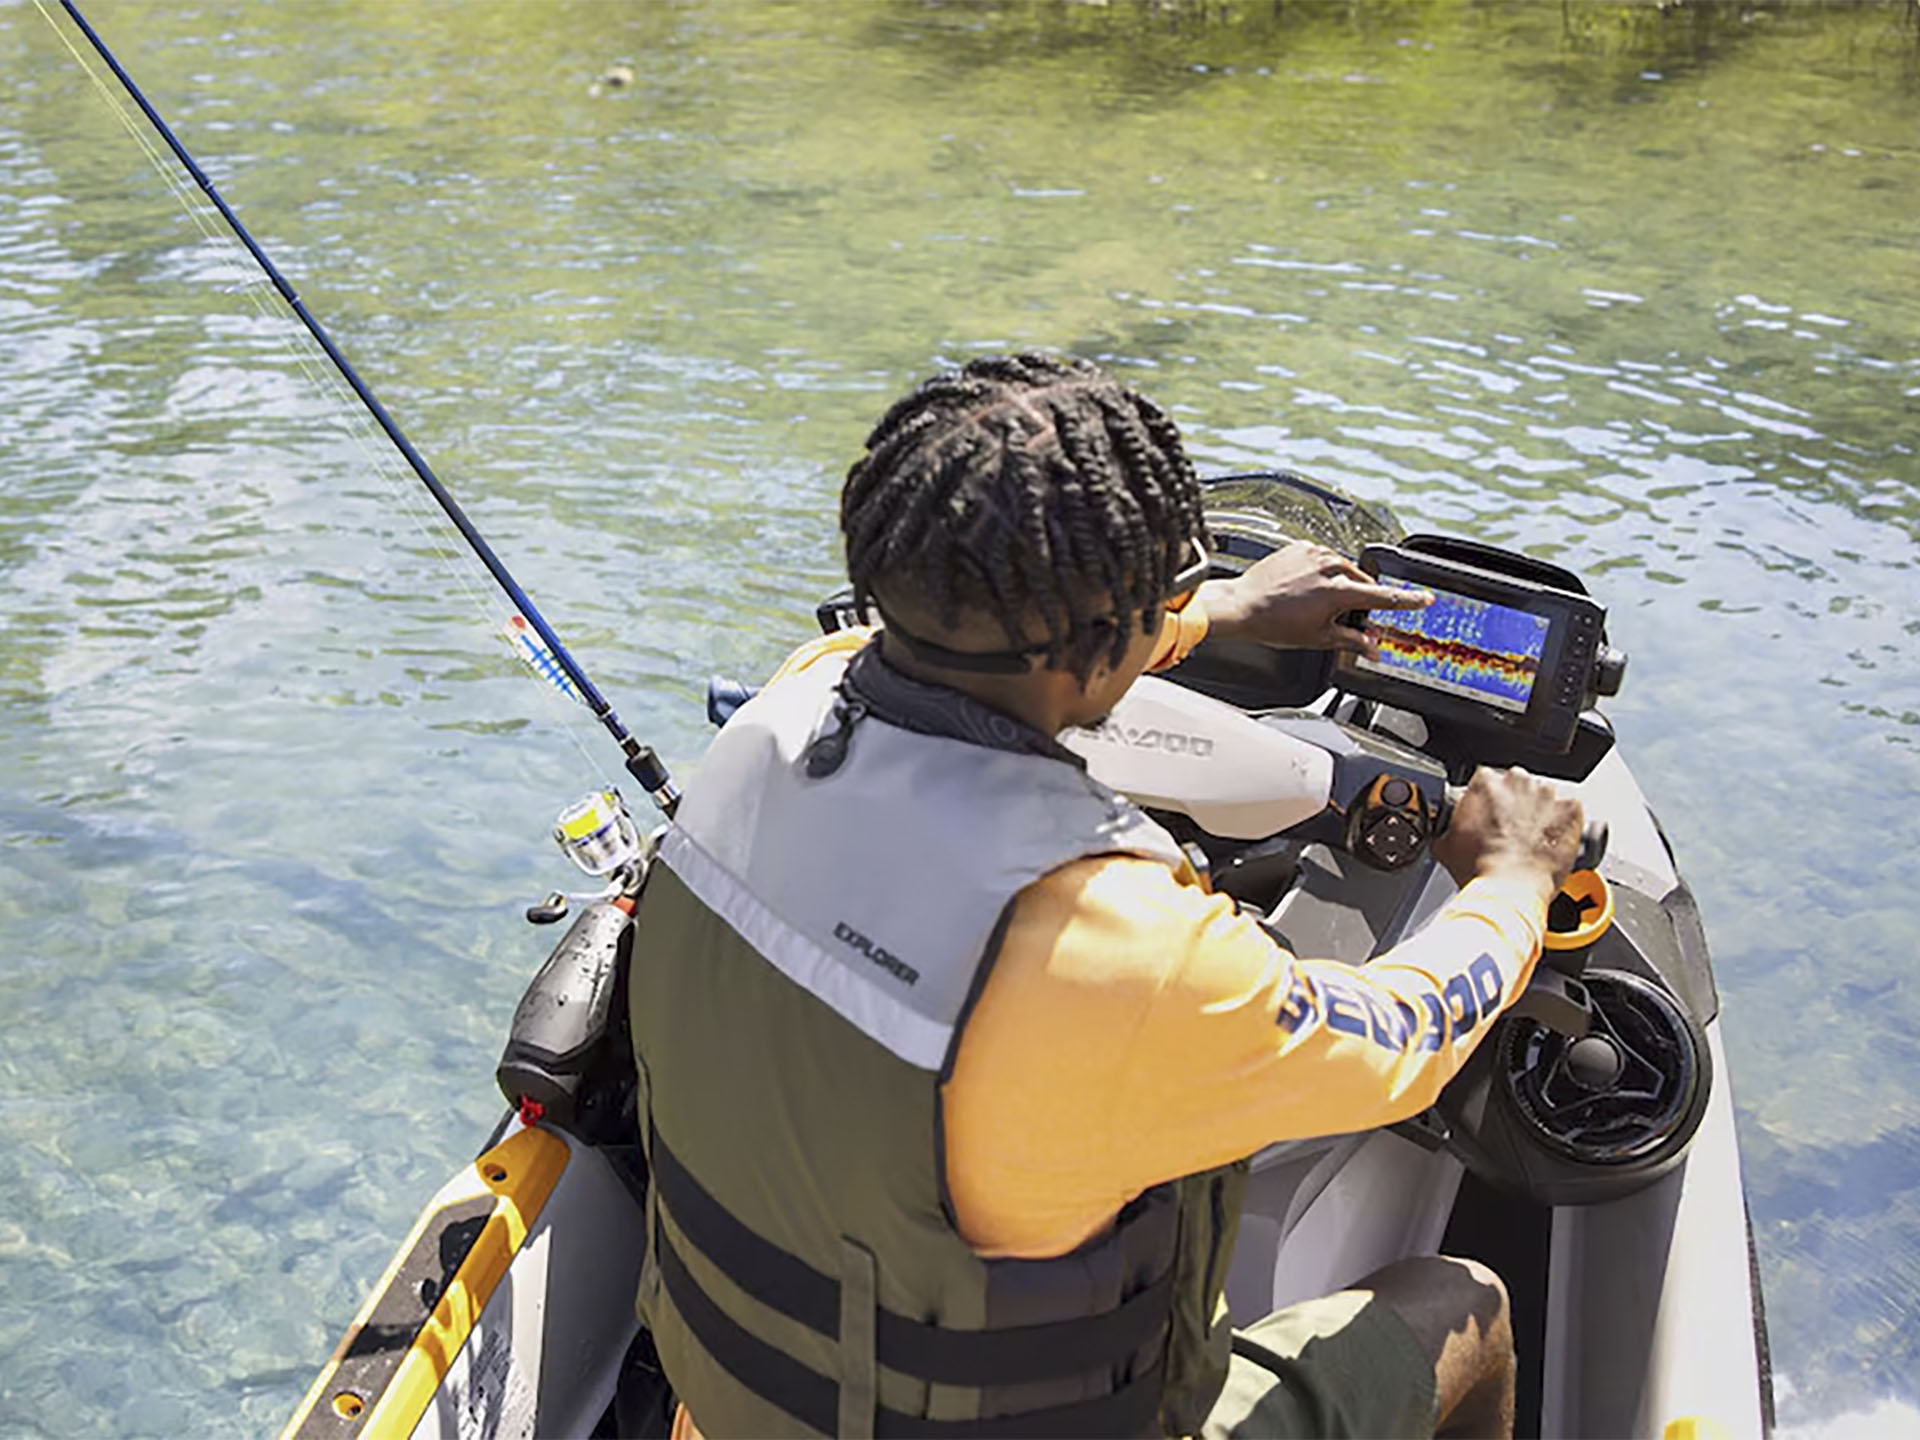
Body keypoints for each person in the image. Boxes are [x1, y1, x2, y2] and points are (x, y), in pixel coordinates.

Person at [626, 353, 1584, 1439]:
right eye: (1170, 586)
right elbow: (1403, 1041)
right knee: (1463, 1303)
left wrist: (1216, 615)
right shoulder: (1116, 940)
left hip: (731, 1408)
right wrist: (1509, 880)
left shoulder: (787, 703)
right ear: (1114, 626)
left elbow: (970, 654)